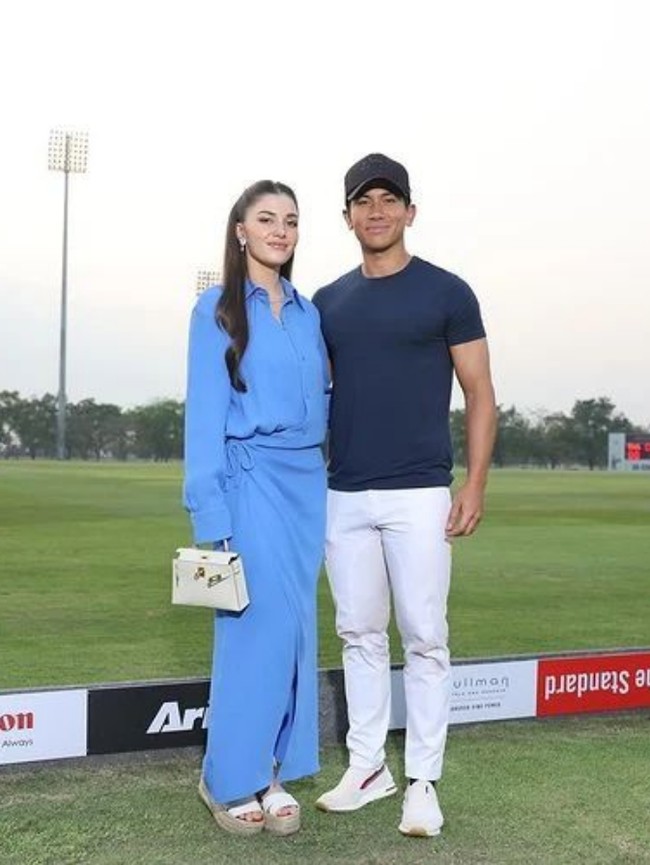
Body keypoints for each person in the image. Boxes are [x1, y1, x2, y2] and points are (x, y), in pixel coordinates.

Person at [312, 154, 497, 837]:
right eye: (364, 202)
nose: (377, 212)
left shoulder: (447, 292)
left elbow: (479, 392)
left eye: (389, 200)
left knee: (424, 637)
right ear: (348, 217)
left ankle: (422, 779)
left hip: (421, 491)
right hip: (344, 493)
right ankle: (367, 765)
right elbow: (318, 395)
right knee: (357, 631)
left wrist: (473, 482)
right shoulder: (327, 301)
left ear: (410, 212)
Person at [183, 180, 329, 836]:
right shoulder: (213, 309)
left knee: (295, 631)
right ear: (240, 229)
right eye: (266, 218)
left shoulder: (307, 312)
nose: (280, 229)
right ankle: (227, 776)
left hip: (306, 487)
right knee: (252, 630)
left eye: (291, 220)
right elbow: (205, 419)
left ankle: (272, 769)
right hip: (248, 482)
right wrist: (210, 516)